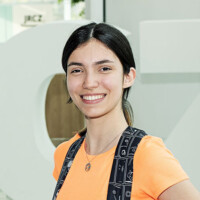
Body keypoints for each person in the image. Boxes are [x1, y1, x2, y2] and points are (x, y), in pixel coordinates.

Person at [52, 22, 200, 200]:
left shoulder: (146, 155)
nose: (89, 82)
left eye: (104, 69)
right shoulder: (66, 154)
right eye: (77, 70)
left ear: (128, 77)